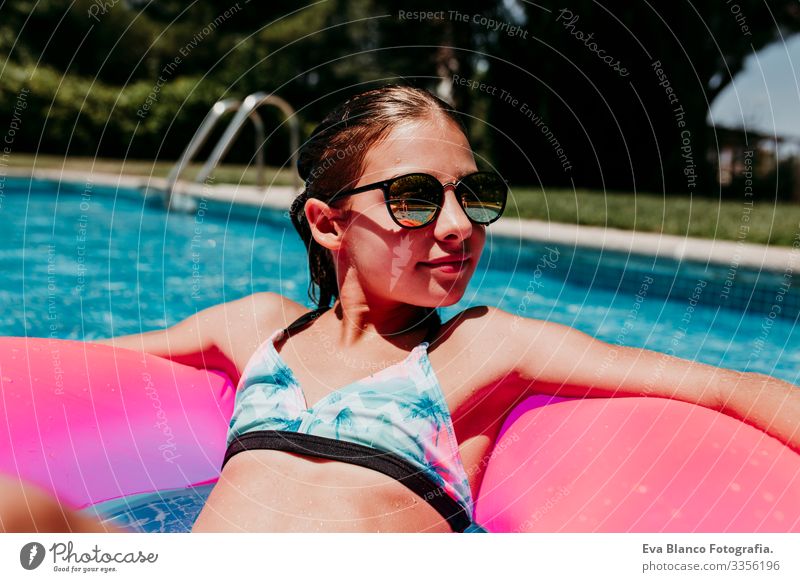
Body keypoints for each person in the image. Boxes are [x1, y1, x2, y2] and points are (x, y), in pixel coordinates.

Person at [4, 84, 798, 533]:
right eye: (416, 200)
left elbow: (728, 387)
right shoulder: (254, 328)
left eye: (473, 195)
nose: (457, 227)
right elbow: (64, 375)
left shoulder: (481, 349)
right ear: (328, 223)